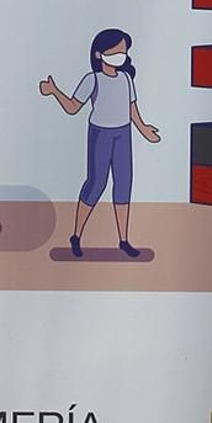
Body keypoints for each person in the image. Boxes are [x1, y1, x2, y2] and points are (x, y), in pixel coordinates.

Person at [40, 27, 160, 258]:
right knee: (96, 184)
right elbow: (73, 107)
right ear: (99, 54)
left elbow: (132, 109)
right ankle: (76, 235)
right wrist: (54, 91)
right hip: (100, 134)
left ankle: (123, 239)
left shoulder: (126, 79)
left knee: (124, 184)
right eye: (116, 51)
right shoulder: (93, 79)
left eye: (123, 52)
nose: (121, 55)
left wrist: (144, 128)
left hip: (123, 134)